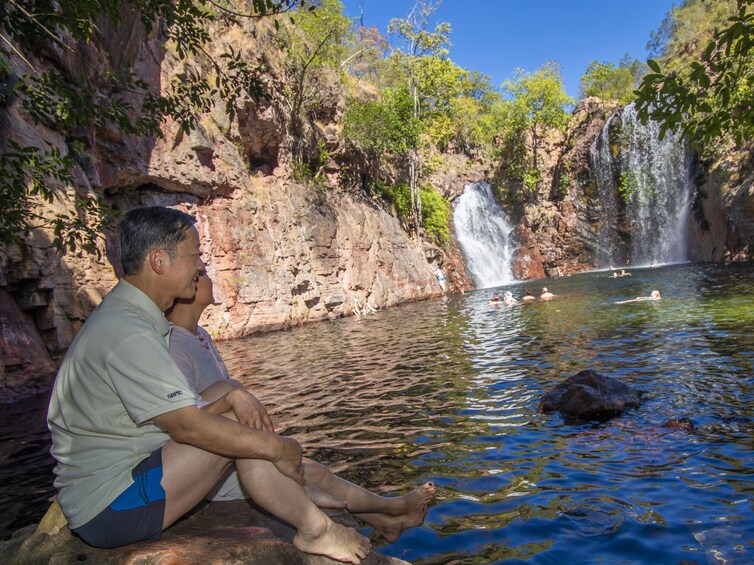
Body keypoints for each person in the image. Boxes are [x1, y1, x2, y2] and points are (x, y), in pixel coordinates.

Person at [46, 206, 371, 562]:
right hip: (112, 507)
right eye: (194, 255)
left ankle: (303, 493)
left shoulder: (131, 318)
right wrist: (277, 447)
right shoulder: (127, 332)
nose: (200, 265)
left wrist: (236, 395)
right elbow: (189, 428)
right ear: (158, 261)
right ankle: (315, 530)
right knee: (235, 432)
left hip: (136, 471)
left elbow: (189, 413)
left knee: (227, 395)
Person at [165, 272, 435, 542]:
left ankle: (385, 524)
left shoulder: (199, 335)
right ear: (187, 293)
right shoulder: (176, 345)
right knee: (314, 474)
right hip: (213, 464)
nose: (207, 276)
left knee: (319, 470)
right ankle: (393, 508)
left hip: (233, 450)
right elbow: (188, 418)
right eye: (200, 274)